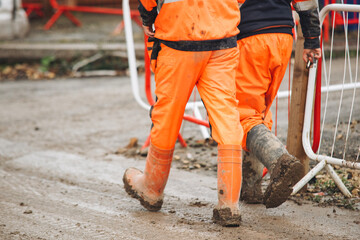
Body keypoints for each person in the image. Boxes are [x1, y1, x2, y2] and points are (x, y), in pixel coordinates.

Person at [123, 0, 244, 227]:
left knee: (166, 117)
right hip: (222, 39)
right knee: (227, 118)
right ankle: (229, 204)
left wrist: (148, 18)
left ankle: (152, 189)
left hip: (179, 38)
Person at [235, 0, 322, 208]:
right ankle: (251, 188)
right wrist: (311, 39)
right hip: (282, 36)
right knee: (258, 111)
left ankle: (280, 160)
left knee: (243, 115)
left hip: (249, 35)